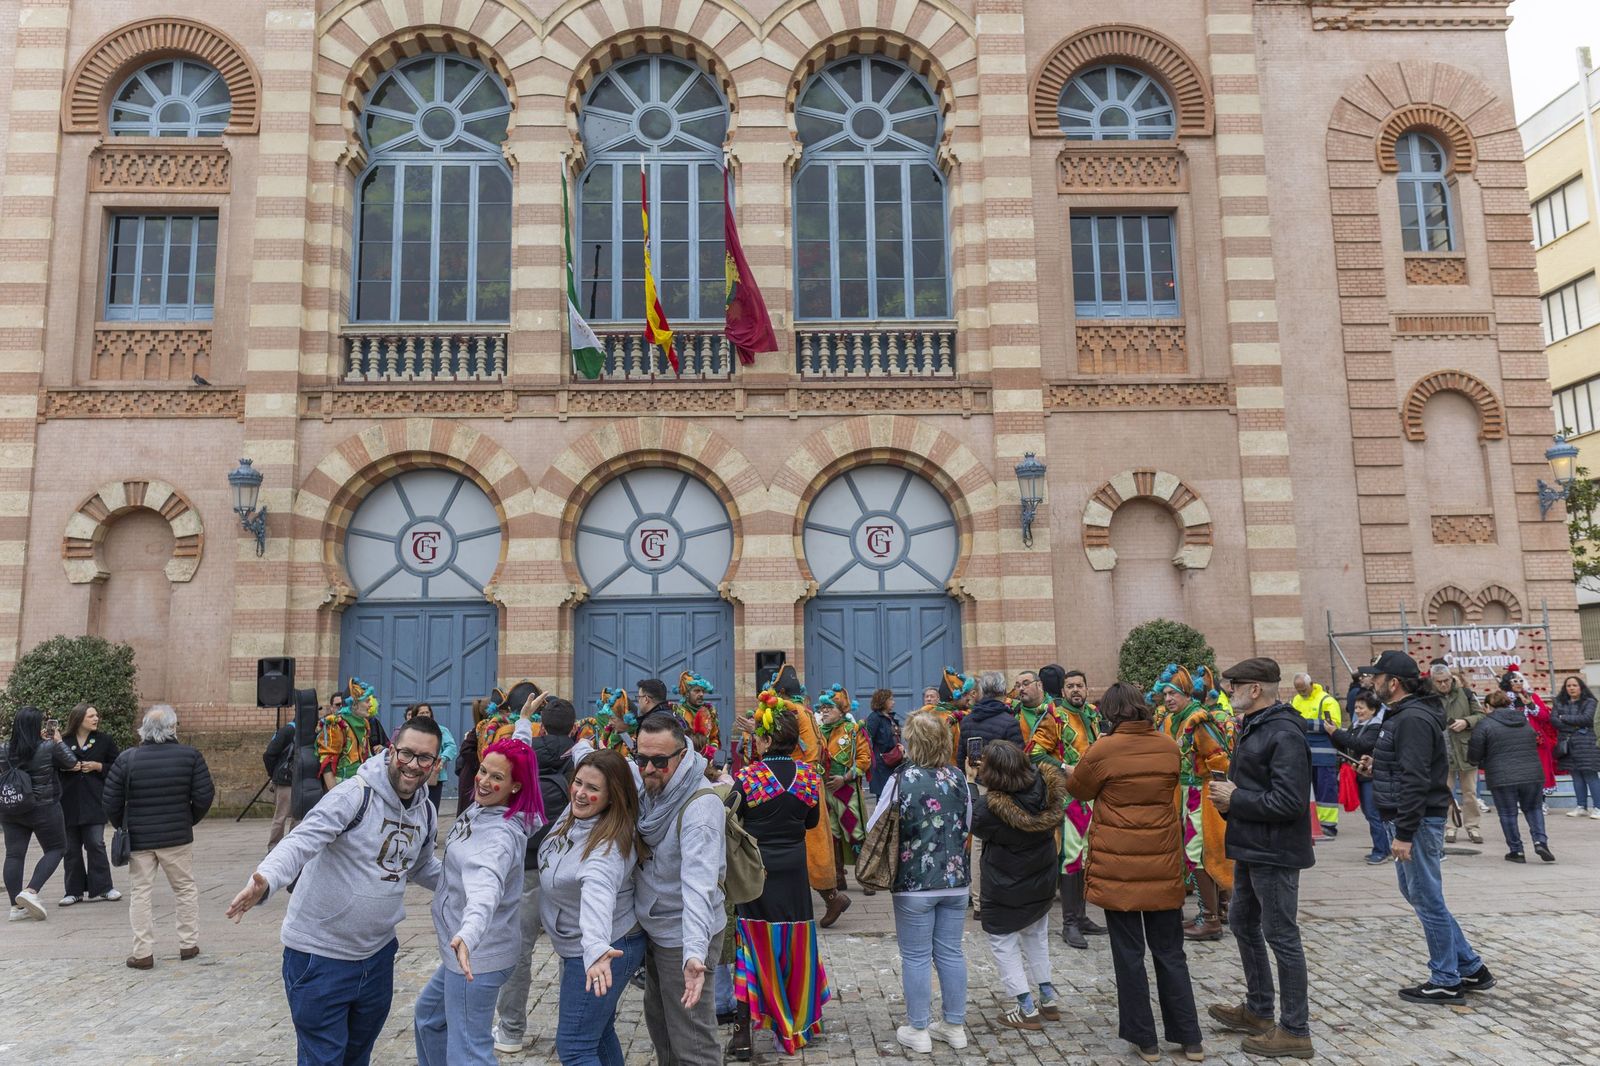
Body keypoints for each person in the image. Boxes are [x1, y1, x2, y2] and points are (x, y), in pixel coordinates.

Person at [227, 713, 444, 1065]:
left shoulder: (425, 813)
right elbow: (301, 841)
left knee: (356, 1057)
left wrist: (472, 888)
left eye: (424, 758)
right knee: (324, 1059)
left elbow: (420, 865)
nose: (412, 764)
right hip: (320, 957)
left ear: (435, 764)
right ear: (391, 750)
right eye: (406, 753)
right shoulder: (353, 796)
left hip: (376, 958)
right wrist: (265, 879)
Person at [1067, 682, 1203, 1063]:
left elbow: (1078, 789)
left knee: (1128, 954)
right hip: (1160, 861)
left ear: (1111, 713)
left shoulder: (1103, 749)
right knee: (1171, 952)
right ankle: (1189, 1037)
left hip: (1119, 865)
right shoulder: (1168, 746)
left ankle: (1145, 1040)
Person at [1358, 650, 1494, 1004]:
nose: (1371, 682)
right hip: (1408, 818)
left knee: (1428, 899)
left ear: (1394, 683)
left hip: (1415, 823)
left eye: (1377, 677)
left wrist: (1404, 832)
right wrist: (1378, 766)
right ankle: (1470, 967)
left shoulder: (1412, 718)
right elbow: (1407, 767)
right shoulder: (1401, 714)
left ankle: (1446, 979)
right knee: (1418, 895)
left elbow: (1417, 778)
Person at [413, 704, 542, 1066]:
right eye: (484, 771)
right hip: (468, 953)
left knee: (468, 1052)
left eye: (496, 778)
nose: (484, 781)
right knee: (429, 1018)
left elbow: (485, 892)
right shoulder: (499, 806)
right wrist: (523, 725)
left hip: (477, 956)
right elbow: (520, 756)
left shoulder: (497, 838)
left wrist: (468, 934)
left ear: (514, 786)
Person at [1208, 658, 1316, 1060]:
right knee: (1241, 922)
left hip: (1275, 850)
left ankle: (1295, 1030)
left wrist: (1236, 798)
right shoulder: (1255, 727)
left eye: (1234, 685)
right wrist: (1230, 801)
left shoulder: (1283, 733)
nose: (1228, 691)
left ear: (1254, 690)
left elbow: (1289, 801)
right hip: (1252, 844)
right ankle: (1258, 1009)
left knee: (1282, 936)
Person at [729, 707, 831, 1059]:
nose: (753, 742)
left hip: (757, 871)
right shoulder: (807, 775)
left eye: (757, 736)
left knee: (752, 942)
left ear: (768, 740)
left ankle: (744, 1032)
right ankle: (797, 1017)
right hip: (794, 868)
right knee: (794, 940)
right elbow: (812, 820)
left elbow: (732, 821)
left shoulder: (749, 777)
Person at [539, 747, 646, 1066]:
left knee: (574, 1045)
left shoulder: (606, 850)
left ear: (613, 796)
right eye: (578, 782)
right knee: (597, 1035)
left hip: (604, 949)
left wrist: (596, 949)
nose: (581, 793)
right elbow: (592, 756)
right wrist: (583, 742)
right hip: (583, 946)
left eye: (593, 788)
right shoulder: (577, 814)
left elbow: (599, 896)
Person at [634, 713, 728, 1066]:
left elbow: (699, 889)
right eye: (641, 758)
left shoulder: (699, 808)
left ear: (683, 754)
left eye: (659, 761)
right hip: (658, 927)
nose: (648, 769)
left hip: (687, 933)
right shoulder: (653, 791)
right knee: (663, 1031)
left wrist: (694, 956)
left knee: (692, 1043)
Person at [102, 705, 215, 968]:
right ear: (173, 728)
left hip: (140, 838)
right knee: (185, 888)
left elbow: (110, 800)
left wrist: (123, 824)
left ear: (144, 730)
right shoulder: (190, 755)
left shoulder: (127, 758)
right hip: (177, 836)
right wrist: (188, 819)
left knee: (140, 892)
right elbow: (204, 795)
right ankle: (188, 944)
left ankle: (142, 952)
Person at [888, 711, 972, 1055]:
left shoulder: (902, 779)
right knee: (951, 952)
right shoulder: (958, 777)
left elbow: (883, 827)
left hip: (914, 881)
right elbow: (967, 820)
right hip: (955, 880)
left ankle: (919, 1027)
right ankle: (954, 1025)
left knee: (917, 956)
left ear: (912, 742)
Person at [971, 739, 1067, 1031]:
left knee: (1003, 940)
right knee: (1037, 935)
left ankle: (1025, 1007)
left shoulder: (990, 807)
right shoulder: (1045, 787)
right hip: (1041, 877)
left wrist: (977, 785)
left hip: (1005, 883)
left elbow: (975, 824)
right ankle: (1047, 997)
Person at [494, 693, 572, 1054]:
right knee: (572, 950)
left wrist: (523, 722)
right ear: (571, 726)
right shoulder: (582, 756)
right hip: (567, 868)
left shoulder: (522, 757)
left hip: (524, 868)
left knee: (518, 950)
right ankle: (573, 1028)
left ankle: (510, 1031)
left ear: (541, 725)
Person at [1151, 664, 1234, 942]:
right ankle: (1217, 911)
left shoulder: (1198, 721)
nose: (1169, 698)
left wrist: (1215, 789)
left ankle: (1210, 918)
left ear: (1187, 694)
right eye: (1165, 694)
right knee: (1196, 852)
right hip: (1186, 794)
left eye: (1173, 693)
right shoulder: (1173, 720)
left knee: (1199, 853)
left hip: (1201, 794)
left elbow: (1219, 758)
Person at [1028, 665, 1103, 948]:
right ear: (1062, 691)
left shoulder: (1093, 715)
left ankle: (1082, 917)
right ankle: (1070, 923)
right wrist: (1063, 767)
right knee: (1072, 857)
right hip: (1070, 798)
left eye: (1079, 686)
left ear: (1086, 689)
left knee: (1088, 857)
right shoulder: (1055, 716)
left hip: (1093, 797)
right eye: (1070, 686)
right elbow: (1033, 752)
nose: (1075, 690)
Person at [1, 706, 77, 921]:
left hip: (12, 807)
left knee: (14, 854)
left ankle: (16, 907)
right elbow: (71, 763)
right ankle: (31, 891)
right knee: (57, 848)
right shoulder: (48, 747)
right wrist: (58, 741)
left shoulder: (4, 748)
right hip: (43, 807)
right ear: (37, 726)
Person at [1468, 691, 1554, 863]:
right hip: (1532, 774)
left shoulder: (1485, 724)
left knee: (1508, 813)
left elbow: (1474, 755)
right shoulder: (1524, 720)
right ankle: (1540, 842)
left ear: (1487, 707)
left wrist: (1484, 762)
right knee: (1534, 808)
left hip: (1502, 776)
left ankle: (1517, 850)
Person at [60, 702, 121, 905]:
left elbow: (119, 766)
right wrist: (66, 768)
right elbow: (50, 766)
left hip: (94, 800)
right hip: (68, 802)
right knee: (70, 848)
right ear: (78, 719)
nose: (96, 719)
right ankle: (73, 890)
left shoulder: (104, 740)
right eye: (91, 716)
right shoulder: (63, 741)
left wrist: (98, 766)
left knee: (95, 843)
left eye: (96, 715)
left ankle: (104, 887)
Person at [818, 685, 871, 898]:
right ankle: (838, 876)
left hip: (846, 791)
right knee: (832, 835)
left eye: (829, 708)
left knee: (855, 833)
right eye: (822, 708)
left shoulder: (853, 730)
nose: (824, 711)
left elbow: (864, 760)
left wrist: (845, 778)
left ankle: (866, 877)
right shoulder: (818, 732)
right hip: (825, 792)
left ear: (841, 710)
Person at [1328, 690, 1390, 863]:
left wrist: (1336, 733)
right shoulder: (1356, 726)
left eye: (1362, 708)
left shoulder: (1376, 726)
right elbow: (1344, 745)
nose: (1358, 711)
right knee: (1369, 813)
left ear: (1373, 710)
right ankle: (1383, 847)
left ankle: (1382, 850)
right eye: (1356, 708)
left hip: (1371, 776)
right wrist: (1333, 733)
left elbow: (1361, 744)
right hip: (1359, 776)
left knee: (1373, 813)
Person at [1430, 660, 1485, 844]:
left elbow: (1481, 715)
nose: (1443, 684)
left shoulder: (1466, 694)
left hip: (1466, 749)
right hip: (1441, 751)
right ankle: (1451, 827)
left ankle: (1473, 827)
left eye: (1446, 680)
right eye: (1439, 682)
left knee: (1470, 792)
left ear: (1451, 678)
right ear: (1432, 681)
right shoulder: (1429, 698)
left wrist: (1466, 722)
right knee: (1446, 792)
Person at [1290, 673, 1343, 838]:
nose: (1301, 693)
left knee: (1325, 789)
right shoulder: (1296, 700)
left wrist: (1304, 723)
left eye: (1303, 689)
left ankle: (1328, 825)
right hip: (1304, 754)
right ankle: (1311, 823)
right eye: (1298, 690)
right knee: (1307, 791)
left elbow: (1333, 725)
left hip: (1324, 754)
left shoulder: (1326, 701)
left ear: (1311, 684)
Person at [1500, 667, 1557, 792]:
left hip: (1535, 741)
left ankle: (1540, 802)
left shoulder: (1532, 697)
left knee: (1539, 771)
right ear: (1508, 683)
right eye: (1515, 681)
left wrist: (1530, 705)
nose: (1519, 683)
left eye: (1521, 681)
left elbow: (1544, 717)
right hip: (1513, 743)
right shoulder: (1502, 700)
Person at [1552, 675, 1600, 818]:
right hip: (1568, 743)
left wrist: (1564, 718)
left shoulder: (1590, 702)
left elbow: (1587, 719)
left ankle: (1598, 807)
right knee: (1575, 775)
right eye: (1568, 686)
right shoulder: (1559, 702)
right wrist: (1575, 726)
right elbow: (1553, 720)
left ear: (1581, 687)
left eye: (1574, 685)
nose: (1571, 688)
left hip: (1586, 744)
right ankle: (1581, 806)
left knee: (1589, 774)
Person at [317, 681, 380, 790]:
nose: (370, 705)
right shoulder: (336, 724)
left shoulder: (364, 723)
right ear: (354, 704)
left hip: (361, 784)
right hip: (342, 787)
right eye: (367, 701)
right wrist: (334, 795)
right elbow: (327, 762)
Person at [958, 671, 1024, 774]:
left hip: (974, 782)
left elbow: (961, 759)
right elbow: (1018, 763)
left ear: (982, 691)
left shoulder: (966, 720)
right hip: (1000, 785)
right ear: (1003, 691)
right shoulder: (1011, 723)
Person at [919, 669, 977, 764]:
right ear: (953, 698)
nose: (968, 698)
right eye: (965, 695)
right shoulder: (939, 717)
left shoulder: (963, 714)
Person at [675, 671, 722, 758]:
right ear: (687, 694)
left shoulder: (709, 712)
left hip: (707, 760)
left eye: (702, 691)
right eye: (696, 691)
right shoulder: (678, 713)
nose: (701, 694)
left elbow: (714, 737)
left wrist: (712, 751)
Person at [863, 688, 900, 796]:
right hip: (881, 765)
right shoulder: (874, 718)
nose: (893, 702)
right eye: (891, 699)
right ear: (883, 701)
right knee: (884, 797)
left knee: (894, 796)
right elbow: (867, 739)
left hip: (894, 762)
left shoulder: (889, 717)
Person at [457, 697, 488, 817]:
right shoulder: (478, 730)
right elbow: (465, 749)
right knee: (467, 812)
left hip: (474, 775)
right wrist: (480, 765)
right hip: (471, 777)